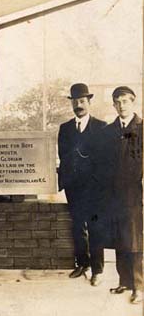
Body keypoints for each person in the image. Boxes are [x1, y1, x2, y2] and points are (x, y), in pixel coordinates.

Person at [57, 83, 107, 286]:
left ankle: (97, 270)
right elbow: (63, 156)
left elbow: (105, 159)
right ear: (71, 103)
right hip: (74, 187)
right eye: (75, 101)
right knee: (78, 226)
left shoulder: (101, 127)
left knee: (95, 227)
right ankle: (82, 264)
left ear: (89, 102)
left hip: (94, 188)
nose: (78, 105)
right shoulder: (65, 128)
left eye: (82, 101)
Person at [102, 86, 143, 304]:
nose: (121, 106)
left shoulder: (142, 127)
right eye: (117, 102)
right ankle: (124, 281)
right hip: (114, 195)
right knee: (119, 238)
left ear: (133, 102)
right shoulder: (110, 131)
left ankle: (139, 287)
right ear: (113, 105)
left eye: (125, 101)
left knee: (135, 240)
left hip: (135, 194)